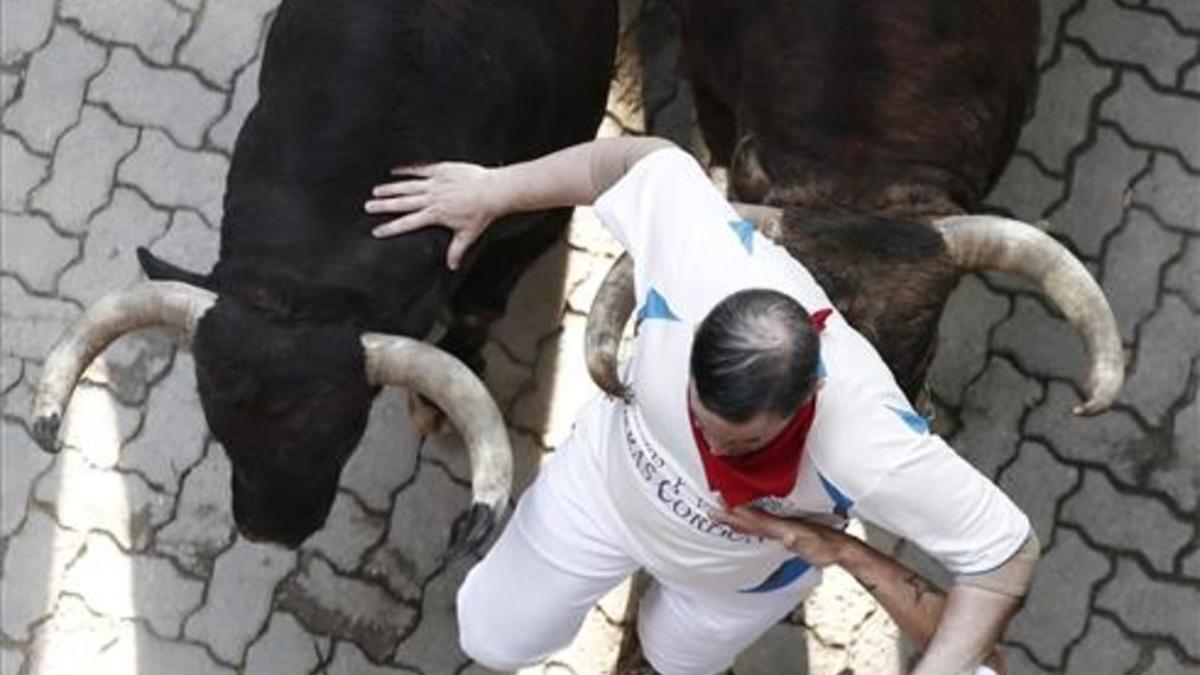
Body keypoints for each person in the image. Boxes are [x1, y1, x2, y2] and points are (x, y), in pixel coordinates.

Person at [364, 137, 1039, 675]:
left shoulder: (868, 436)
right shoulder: (703, 260)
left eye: (740, 445)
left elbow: (1004, 555)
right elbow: (627, 159)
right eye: (699, 416)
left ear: (811, 396)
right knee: (491, 632)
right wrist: (493, 188)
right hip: (602, 488)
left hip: (736, 581)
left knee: (674, 661)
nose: (713, 453)